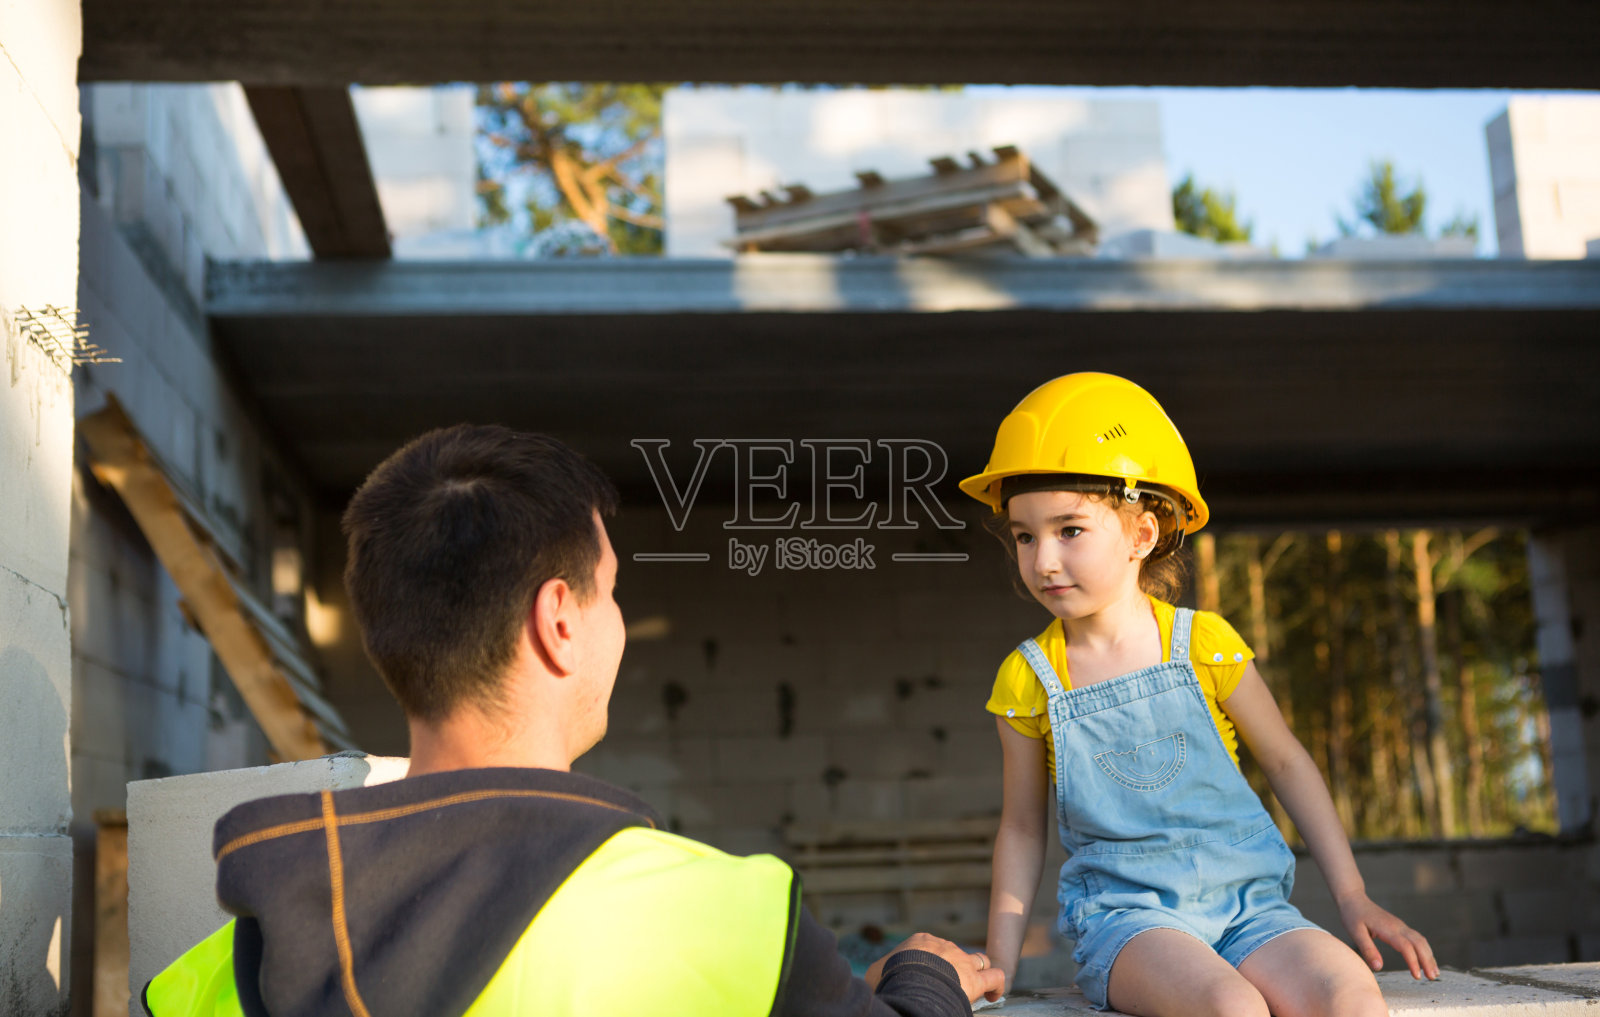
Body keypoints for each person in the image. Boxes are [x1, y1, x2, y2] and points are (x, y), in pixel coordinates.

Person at [143, 424, 1004, 1017]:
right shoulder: (727, 917)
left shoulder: (241, 954)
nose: (619, 621)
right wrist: (925, 979)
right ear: (558, 621)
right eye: (613, 591)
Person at [962, 374, 1438, 1016]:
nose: (1043, 560)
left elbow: (1288, 762)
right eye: (1024, 535)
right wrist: (1000, 961)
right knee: (1230, 1008)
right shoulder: (1028, 679)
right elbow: (1021, 828)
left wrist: (1353, 898)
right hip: (1129, 924)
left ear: (1142, 535)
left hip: (1252, 912)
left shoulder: (1205, 646)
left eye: (1069, 530)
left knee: (1349, 997)